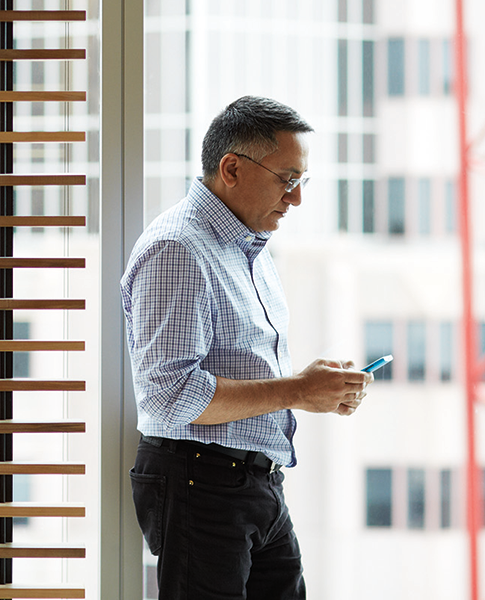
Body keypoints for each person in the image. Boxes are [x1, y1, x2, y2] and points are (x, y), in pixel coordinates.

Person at [121, 95, 373, 599]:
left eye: (301, 182)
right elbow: (171, 397)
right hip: (203, 484)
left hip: (255, 483)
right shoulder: (179, 249)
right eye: (288, 179)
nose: (296, 199)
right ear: (231, 168)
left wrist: (310, 385)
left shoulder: (249, 247)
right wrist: (297, 391)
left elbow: (239, 367)